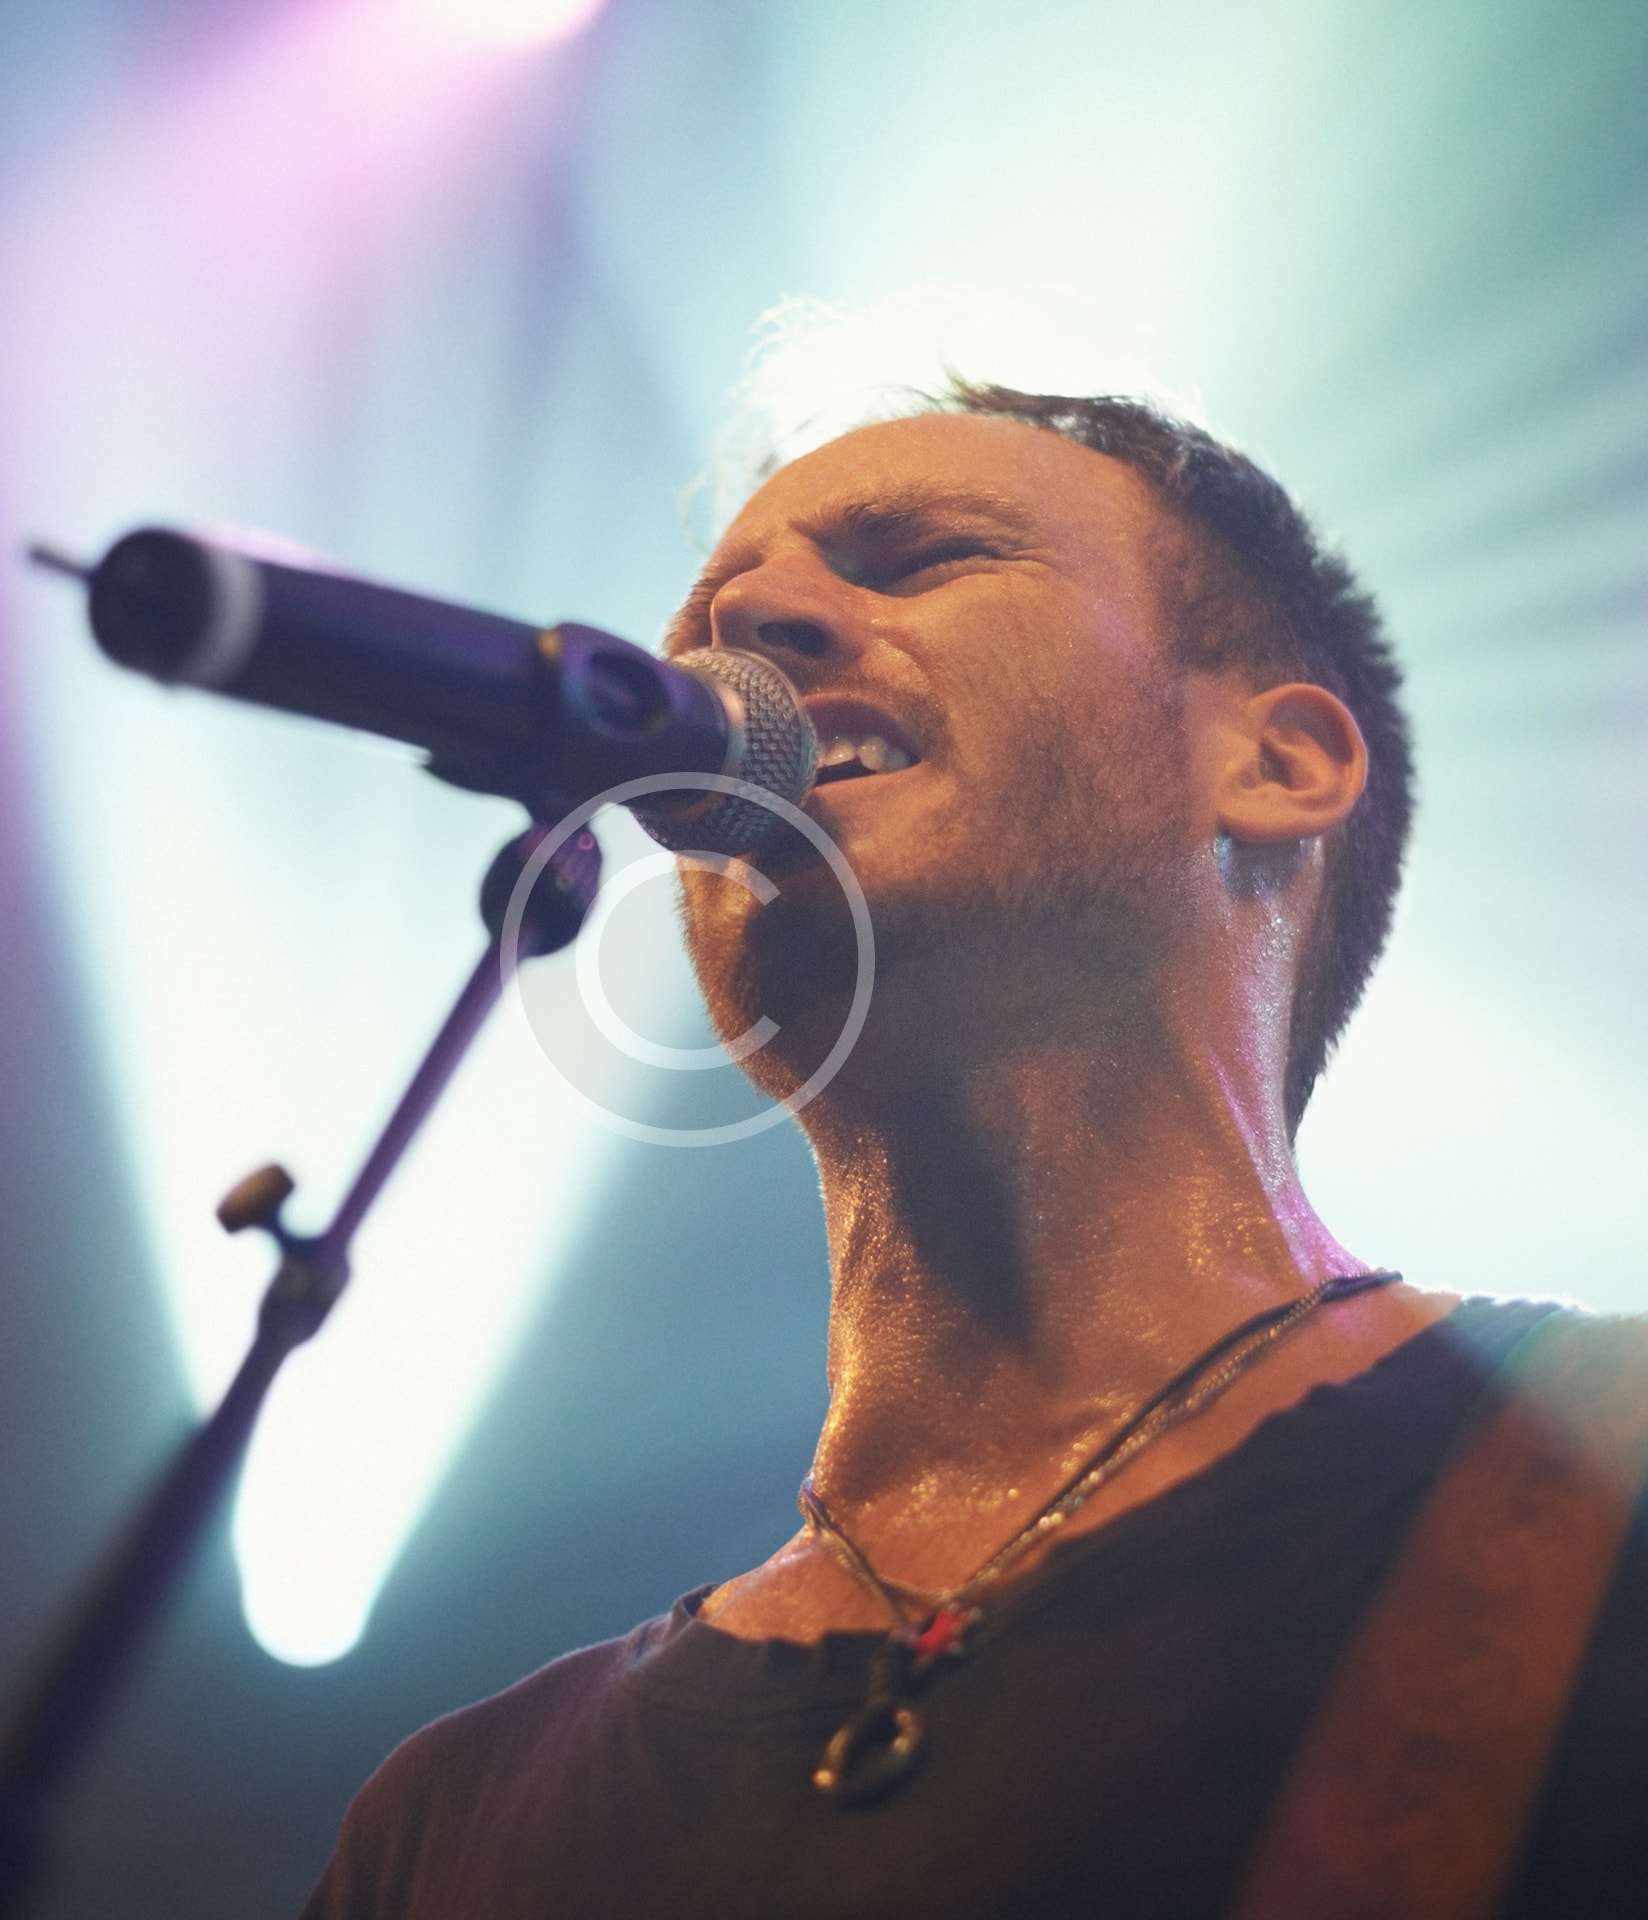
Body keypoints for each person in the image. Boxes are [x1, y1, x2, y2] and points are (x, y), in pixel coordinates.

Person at [300, 368, 1648, 1917]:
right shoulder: (447, 1831)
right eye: (706, 619)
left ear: (1277, 765)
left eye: (919, 557)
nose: (748, 627)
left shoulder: (1599, 1473)